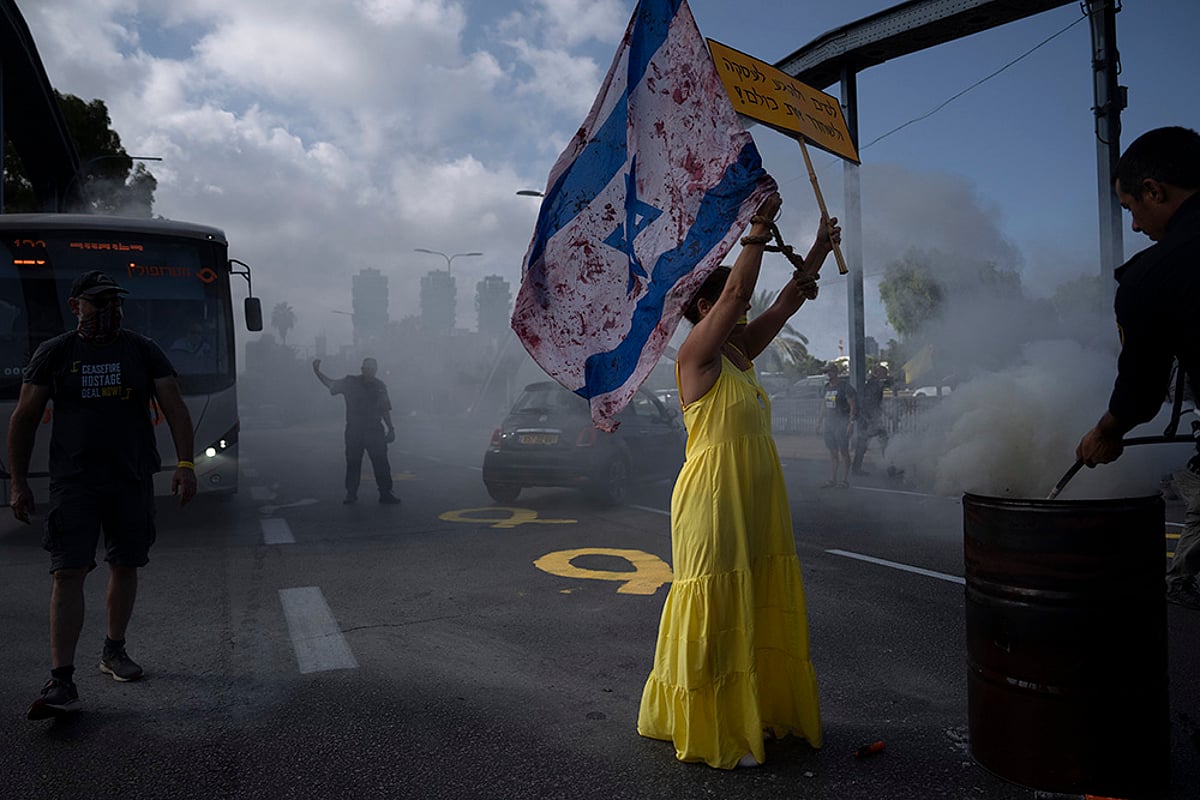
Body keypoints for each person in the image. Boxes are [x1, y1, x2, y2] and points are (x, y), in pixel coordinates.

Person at [638, 192, 839, 769]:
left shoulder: (740, 352)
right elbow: (738, 295)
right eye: (731, 302)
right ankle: (717, 728)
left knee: (752, 599)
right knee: (718, 606)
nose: (744, 310)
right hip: (712, 496)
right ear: (705, 307)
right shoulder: (694, 357)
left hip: (752, 495)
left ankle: (751, 710)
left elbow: (788, 301)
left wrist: (819, 250)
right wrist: (758, 225)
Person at [9, 270, 197, 720]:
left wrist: (186, 465)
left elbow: (174, 406)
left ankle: (114, 650)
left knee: (125, 564)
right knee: (67, 571)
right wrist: (18, 482)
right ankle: (62, 680)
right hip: (74, 481)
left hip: (131, 477)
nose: (109, 310)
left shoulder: (142, 349)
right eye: (99, 302)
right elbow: (24, 417)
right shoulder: (56, 353)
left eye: (115, 302)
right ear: (76, 306)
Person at [1074, 126, 1200, 610]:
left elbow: (1141, 390)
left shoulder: (1154, 275)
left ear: (1154, 191)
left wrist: (1107, 431)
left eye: (1130, 208)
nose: (1134, 226)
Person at [312, 356, 400, 505]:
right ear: (362, 369)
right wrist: (317, 372)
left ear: (376, 370)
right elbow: (331, 384)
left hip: (375, 430)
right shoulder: (350, 383)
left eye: (372, 368)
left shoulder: (379, 386)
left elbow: (385, 410)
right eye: (367, 368)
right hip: (355, 431)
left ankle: (385, 493)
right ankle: (351, 493)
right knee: (353, 463)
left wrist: (391, 428)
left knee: (381, 463)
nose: (370, 371)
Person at [820, 362, 856, 488]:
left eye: (829, 371)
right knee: (833, 452)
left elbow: (852, 405)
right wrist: (820, 421)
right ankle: (833, 478)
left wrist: (851, 423)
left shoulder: (844, 387)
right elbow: (824, 405)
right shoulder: (826, 387)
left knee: (843, 451)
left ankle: (844, 480)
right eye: (825, 372)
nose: (827, 374)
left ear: (835, 372)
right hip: (829, 424)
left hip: (842, 423)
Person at [851, 364, 890, 476]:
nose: (885, 376)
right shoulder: (873, 385)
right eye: (884, 374)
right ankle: (890, 467)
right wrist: (870, 419)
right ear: (878, 374)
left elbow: (875, 403)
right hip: (868, 419)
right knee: (881, 440)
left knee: (864, 443)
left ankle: (856, 468)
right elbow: (868, 403)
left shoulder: (873, 384)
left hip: (867, 418)